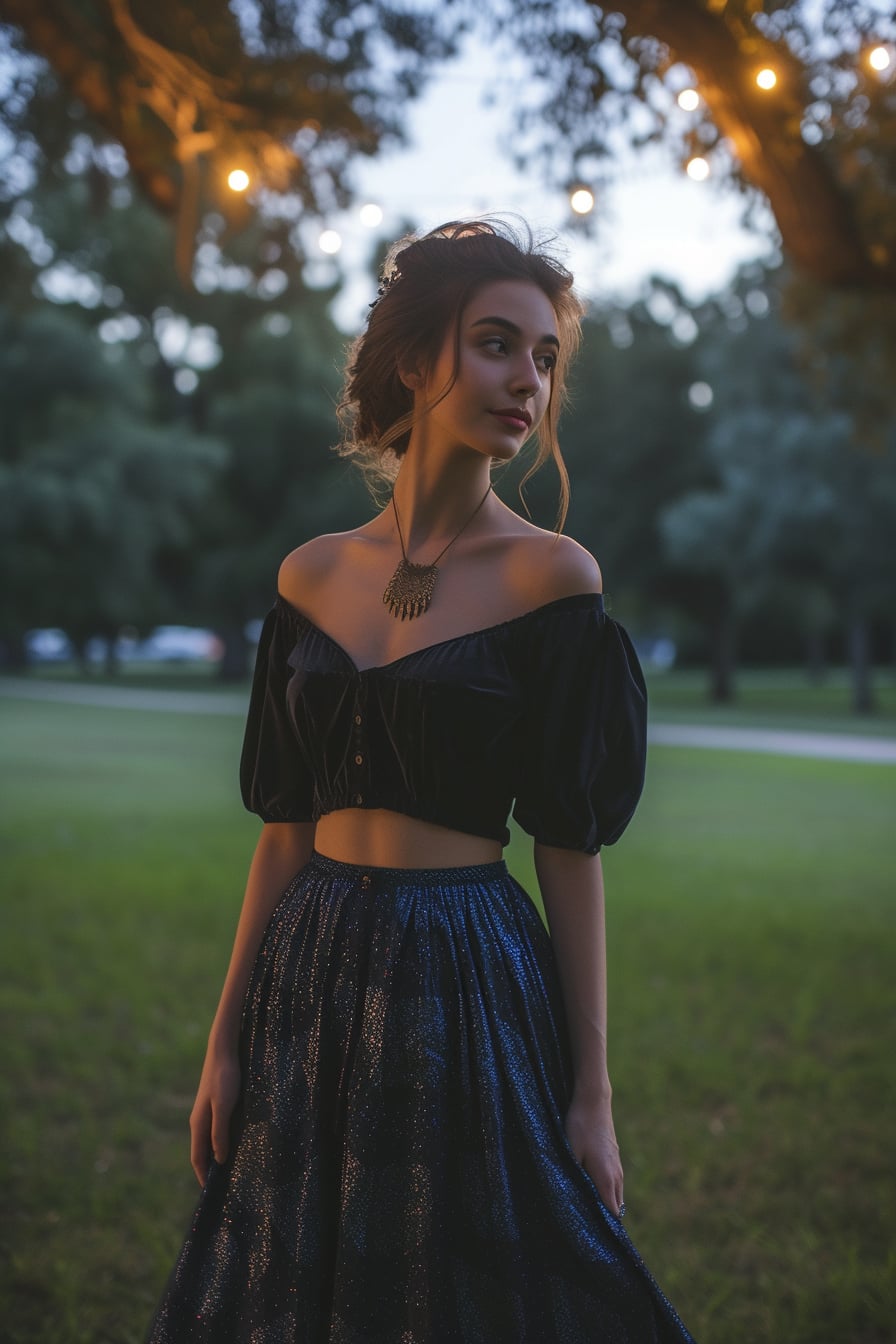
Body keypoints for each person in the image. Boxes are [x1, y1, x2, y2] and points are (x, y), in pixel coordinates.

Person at [146, 218, 697, 1342]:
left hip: (467, 962)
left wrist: (592, 1096)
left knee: (457, 1285)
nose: (526, 382)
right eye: (497, 344)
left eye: (544, 359)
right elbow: (284, 831)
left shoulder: (552, 577)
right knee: (303, 1282)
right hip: (309, 963)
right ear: (414, 361)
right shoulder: (309, 576)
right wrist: (225, 1037)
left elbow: (567, 845)